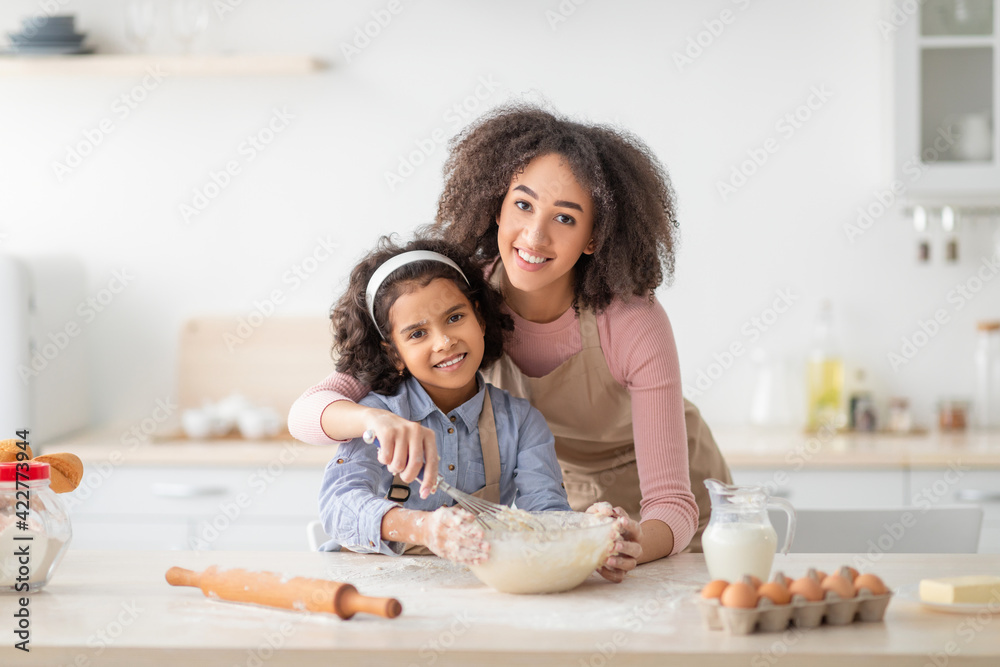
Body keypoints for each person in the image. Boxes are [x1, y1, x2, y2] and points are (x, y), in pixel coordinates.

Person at [290, 105, 731, 580]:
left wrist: (632, 542)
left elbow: (672, 502)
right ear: (496, 204)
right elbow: (307, 413)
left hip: (669, 521)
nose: (534, 236)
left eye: (565, 218)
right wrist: (373, 419)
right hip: (575, 506)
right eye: (523, 205)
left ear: (593, 237)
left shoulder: (632, 320)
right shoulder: (460, 298)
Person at [316, 237, 574, 564]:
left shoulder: (521, 423)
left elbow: (546, 516)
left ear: (479, 319)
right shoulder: (379, 414)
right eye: (417, 333)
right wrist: (423, 527)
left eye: (454, 318)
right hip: (373, 582)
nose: (444, 342)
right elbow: (338, 506)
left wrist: (589, 529)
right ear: (394, 353)